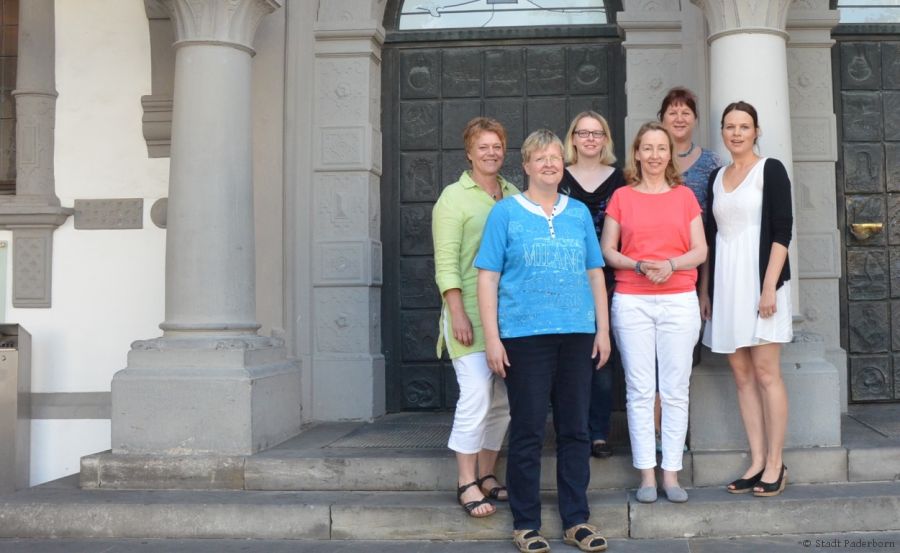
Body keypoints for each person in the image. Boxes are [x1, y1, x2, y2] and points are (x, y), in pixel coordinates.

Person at [476, 129, 611, 553]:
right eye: (541, 158)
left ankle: (576, 520)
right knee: (529, 430)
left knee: (575, 430)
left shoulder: (578, 213)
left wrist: (603, 329)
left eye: (555, 157)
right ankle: (526, 524)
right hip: (524, 337)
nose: (549, 164)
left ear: (563, 164)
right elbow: (488, 278)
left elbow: (594, 273)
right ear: (527, 166)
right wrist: (493, 338)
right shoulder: (505, 214)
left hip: (577, 335)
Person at [600, 121, 707, 504]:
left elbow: (700, 250)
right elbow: (607, 250)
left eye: (662, 148)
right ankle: (646, 474)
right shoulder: (622, 197)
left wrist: (671, 265)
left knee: (676, 390)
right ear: (637, 153)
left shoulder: (684, 197)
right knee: (640, 390)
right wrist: (639, 265)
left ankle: (671, 474)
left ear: (669, 154)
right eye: (648, 148)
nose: (655, 155)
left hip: (679, 299)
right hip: (633, 300)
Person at [700, 101, 793, 498]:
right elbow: (711, 238)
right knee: (742, 376)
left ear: (756, 131)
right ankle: (756, 462)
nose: (736, 133)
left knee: (767, 373)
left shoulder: (770, 169)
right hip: (726, 286)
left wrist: (769, 287)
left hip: (760, 285)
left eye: (744, 126)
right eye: (730, 126)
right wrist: (705, 291)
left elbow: (782, 231)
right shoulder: (716, 177)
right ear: (722, 131)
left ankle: (776, 463)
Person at [432, 116, 519, 518]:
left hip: (509, 315)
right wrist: (457, 313)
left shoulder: (513, 193)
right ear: (469, 152)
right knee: (477, 395)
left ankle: (486, 474)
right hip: (467, 311)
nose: (491, 153)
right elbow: (446, 262)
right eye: (483, 147)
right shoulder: (453, 198)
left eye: (497, 146)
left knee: (502, 402)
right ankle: (465, 481)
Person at [654, 87, 724, 447]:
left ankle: (677, 433)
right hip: (651, 275)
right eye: (672, 111)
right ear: (662, 118)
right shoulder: (649, 161)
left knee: (681, 360)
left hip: (692, 273)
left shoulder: (711, 164)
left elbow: (711, 234)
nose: (679, 118)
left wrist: (704, 290)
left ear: (695, 120)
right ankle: (656, 434)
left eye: (686, 112)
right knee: (651, 362)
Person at [560, 111, 626, 460]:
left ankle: (598, 433)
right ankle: (572, 430)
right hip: (565, 280)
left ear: (605, 140)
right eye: (583, 133)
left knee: (602, 357)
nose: (589, 139)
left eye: (596, 133)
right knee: (569, 358)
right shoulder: (558, 176)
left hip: (610, 278)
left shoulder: (621, 179)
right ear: (572, 138)